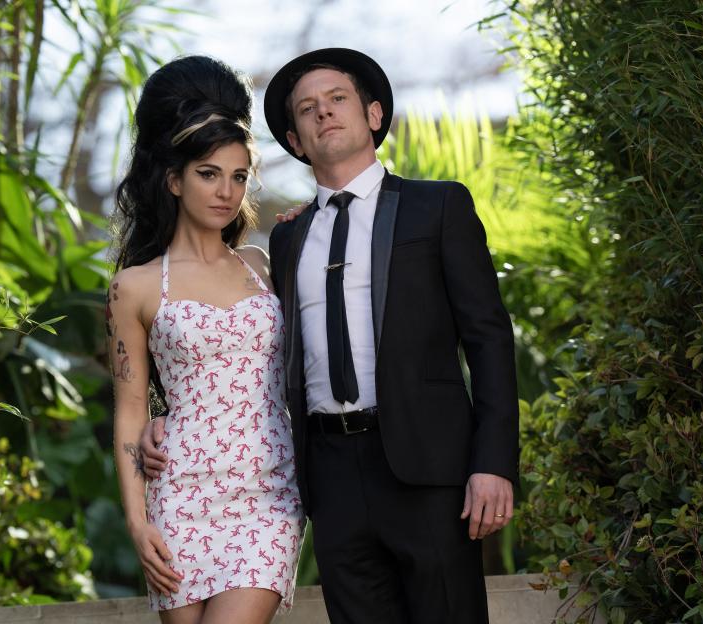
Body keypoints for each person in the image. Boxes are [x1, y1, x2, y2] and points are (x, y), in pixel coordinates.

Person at [141, 48, 520, 624]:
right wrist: (160, 412)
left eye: (337, 98)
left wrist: (493, 462)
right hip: (330, 479)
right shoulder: (286, 243)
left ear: (373, 115)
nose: (323, 113)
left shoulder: (437, 206)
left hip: (429, 470)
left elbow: (489, 339)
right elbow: (226, 345)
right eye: (307, 109)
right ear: (294, 141)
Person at [105, 55, 303, 624]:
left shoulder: (264, 266)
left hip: (269, 493)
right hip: (180, 496)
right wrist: (139, 523)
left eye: (238, 177)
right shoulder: (135, 287)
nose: (226, 192)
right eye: (209, 174)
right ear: (174, 179)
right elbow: (130, 410)